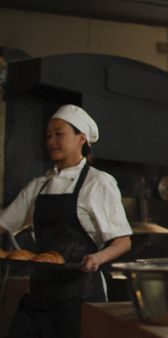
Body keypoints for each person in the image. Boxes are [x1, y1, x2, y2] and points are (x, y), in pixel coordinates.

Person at [0, 104, 132, 338]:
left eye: (59, 134)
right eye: (48, 135)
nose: (51, 141)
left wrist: (97, 258)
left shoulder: (98, 183)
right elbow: (4, 224)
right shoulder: (39, 185)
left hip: (81, 297)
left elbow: (122, 242)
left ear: (81, 137)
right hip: (40, 294)